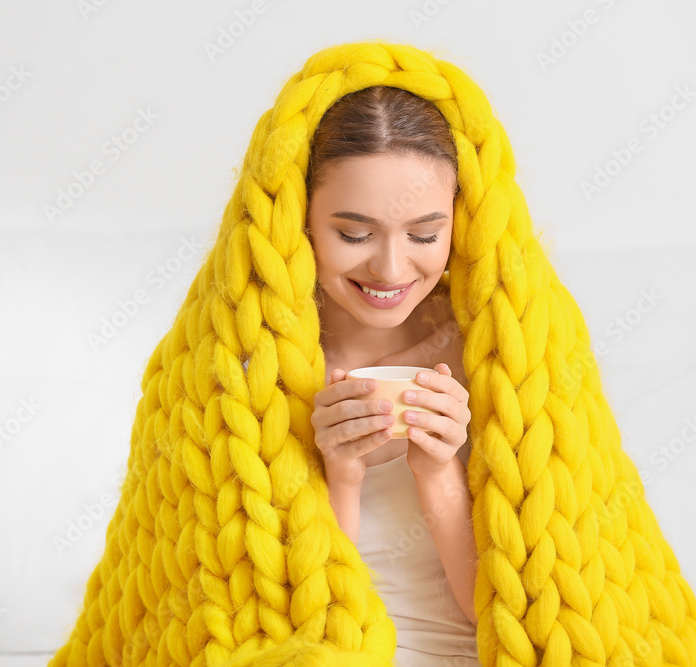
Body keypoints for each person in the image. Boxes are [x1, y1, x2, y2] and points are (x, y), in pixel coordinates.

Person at [305, 85, 480, 666]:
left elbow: (511, 610)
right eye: (354, 235)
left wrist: (437, 468)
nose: (390, 268)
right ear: (299, 221)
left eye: (425, 235)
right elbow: (289, 617)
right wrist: (342, 476)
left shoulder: (500, 351)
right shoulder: (244, 360)